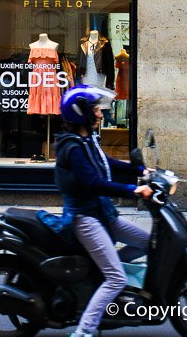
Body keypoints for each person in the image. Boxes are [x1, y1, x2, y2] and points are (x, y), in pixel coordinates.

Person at [54, 85, 153, 337]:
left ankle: (104, 267)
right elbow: (95, 183)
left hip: (101, 213)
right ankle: (84, 331)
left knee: (149, 243)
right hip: (85, 217)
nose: (100, 114)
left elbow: (106, 163)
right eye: (96, 110)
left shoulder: (86, 141)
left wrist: (140, 171)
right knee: (116, 279)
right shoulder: (73, 148)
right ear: (82, 113)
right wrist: (134, 190)